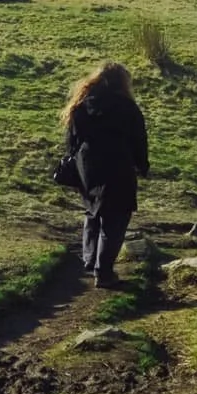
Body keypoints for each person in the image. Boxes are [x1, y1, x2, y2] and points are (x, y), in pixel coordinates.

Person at [60, 62, 149, 287]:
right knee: (116, 218)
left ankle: (90, 260)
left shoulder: (80, 105)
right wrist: (142, 165)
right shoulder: (127, 108)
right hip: (118, 166)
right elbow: (138, 139)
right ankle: (104, 271)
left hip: (88, 166)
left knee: (92, 211)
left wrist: (76, 163)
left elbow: (72, 140)